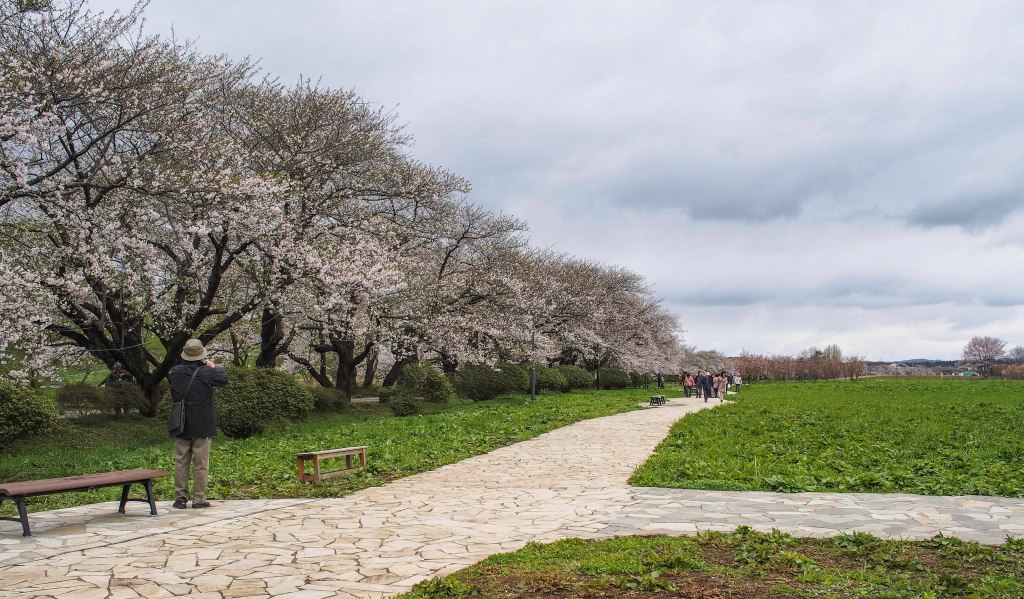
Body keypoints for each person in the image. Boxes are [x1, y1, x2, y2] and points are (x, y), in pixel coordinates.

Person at [168, 339, 228, 509]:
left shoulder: (175, 372)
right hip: (203, 422)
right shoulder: (207, 372)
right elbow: (224, 380)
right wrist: (212, 366)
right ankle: (199, 499)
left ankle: (180, 498)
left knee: (181, 461)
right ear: (201, 355)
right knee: (201, 463)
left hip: (181, 421)